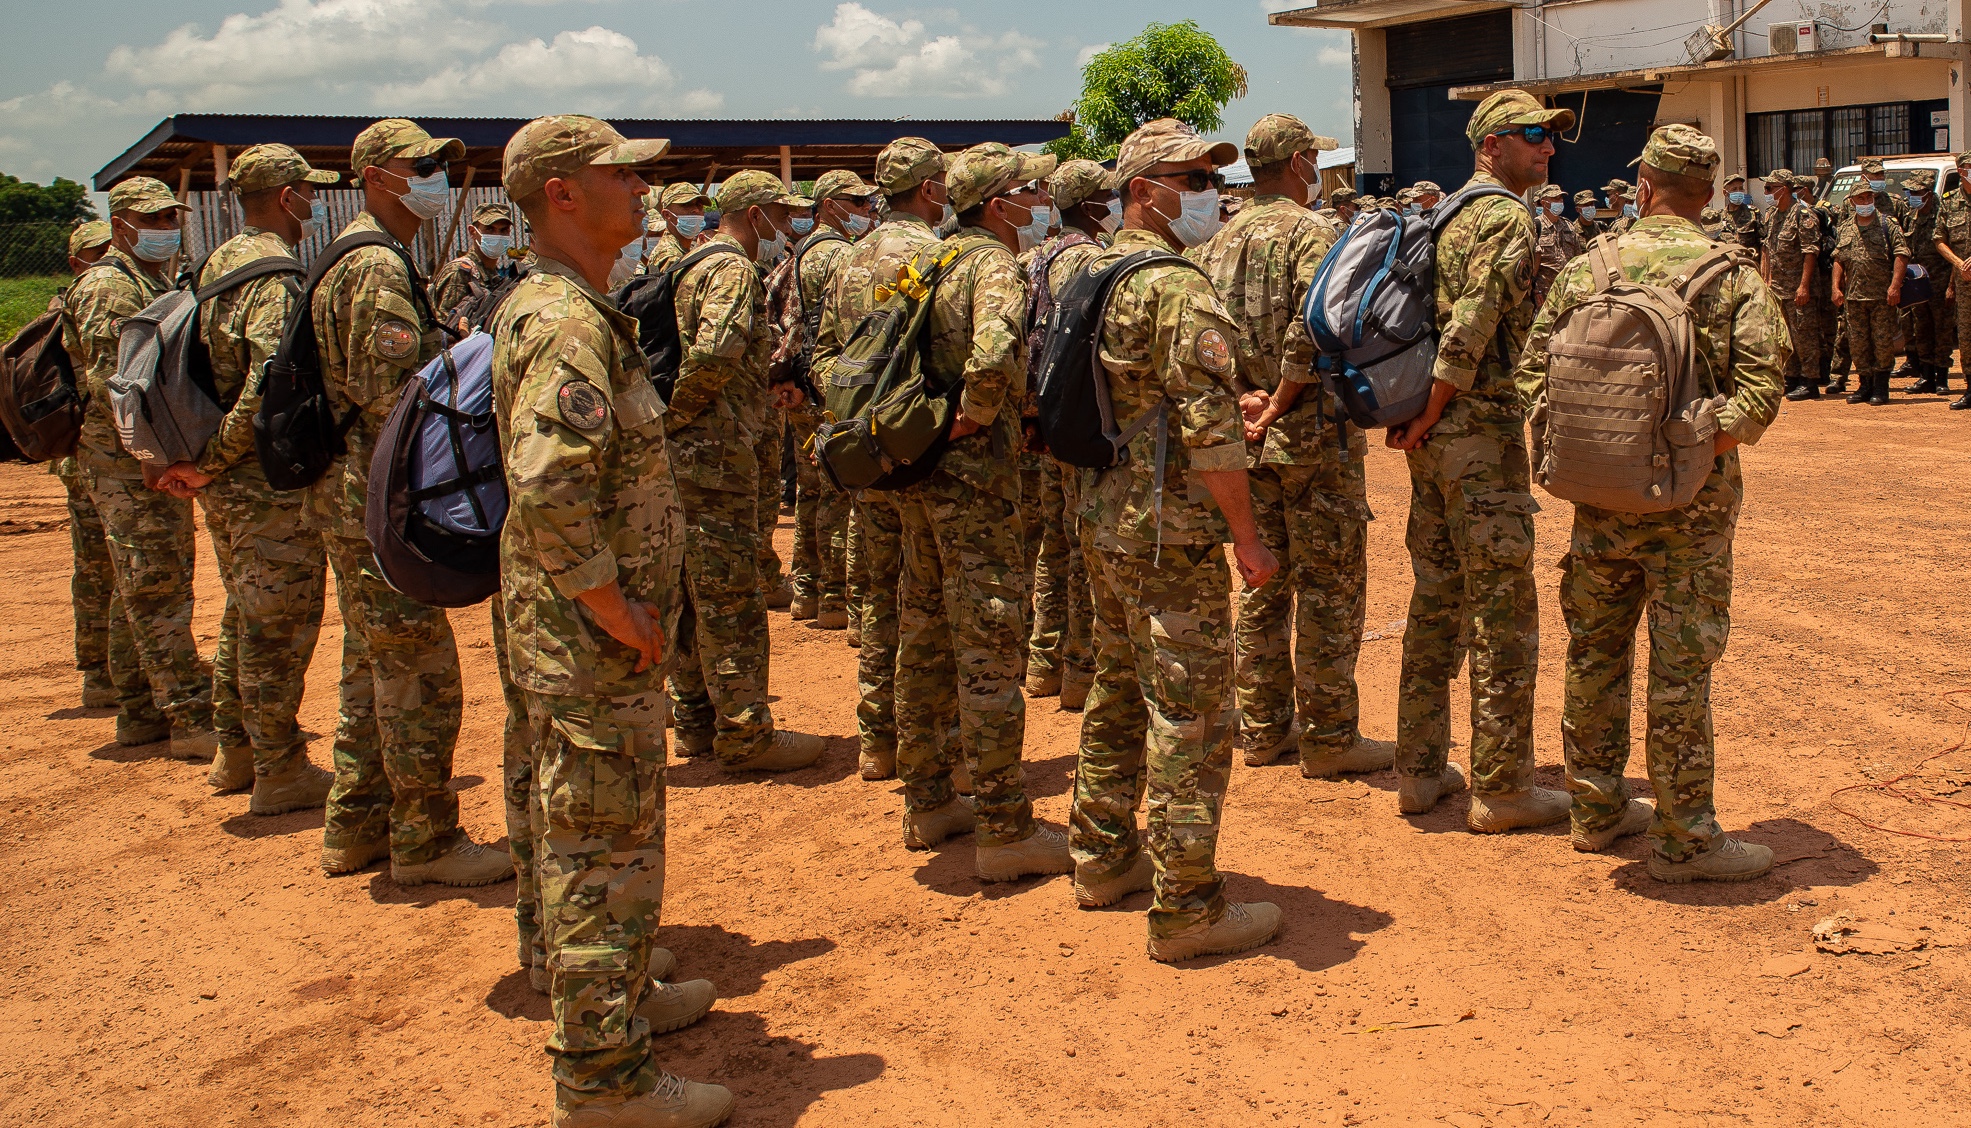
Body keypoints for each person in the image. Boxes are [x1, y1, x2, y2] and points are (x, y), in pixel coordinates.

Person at [490, 114, 728, 1128]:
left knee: (590, 837)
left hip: (580, 635)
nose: (640, 191)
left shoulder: (575, 306)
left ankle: (616, 1000)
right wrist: (616, 608)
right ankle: (604, 1082)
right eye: (617, 176)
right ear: (561, 195)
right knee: (601, 851)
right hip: (588, 639)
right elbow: (549, 488)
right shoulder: (566, 322)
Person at [1516, 123, 1786, 883]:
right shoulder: (1728, 275)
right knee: (1679, 669)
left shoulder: (1586, 267)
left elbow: (1532, 378)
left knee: (1593, 652)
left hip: (1596, 506)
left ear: (1642, 186)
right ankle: (1684, 839)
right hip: (1688, 514)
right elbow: (1759, 398)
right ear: (1708, 195)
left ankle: (1595, 811)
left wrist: (1589, 452)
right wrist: (1683, 450)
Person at [1072, 117, 1282, 961]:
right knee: (1190, 715)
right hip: (1171, 532)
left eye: (1207, 175)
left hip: (1105, 520)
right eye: (1189, 177)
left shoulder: (1084, 269)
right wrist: (1247, 536)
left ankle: (1099, 858)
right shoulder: (1174, 287)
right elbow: (1207, 434)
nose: (1206, 191)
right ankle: (1187, 906)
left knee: (1117, 689)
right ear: (1141, 191)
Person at [312, 119, 511, 884]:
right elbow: (391, 394)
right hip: (382, 495)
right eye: (418, 165)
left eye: (437, 164)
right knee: (418, 671)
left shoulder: (371, 255)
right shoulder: (373, 268)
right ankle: (424, 842)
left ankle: (358, 822)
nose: (432, 175)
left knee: (374, 659)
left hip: (356, 492)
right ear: (373, 175)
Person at [881, 142, 1071, 879]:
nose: (1038, 204)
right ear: (997, 206)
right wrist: (977, 413)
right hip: (972, 476)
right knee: (988, 645)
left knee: (922, 629)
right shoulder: (992, 263)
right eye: (1030, 192)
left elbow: (886, 336)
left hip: (918, 469)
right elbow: (993, 354)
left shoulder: (925, 260)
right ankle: (1001, 826)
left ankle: (929, 802)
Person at [1384, 89, 1573, 831]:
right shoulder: (1502, 215)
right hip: (1473, 429)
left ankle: (1419, 771)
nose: (1546, 147)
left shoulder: (1444, 211)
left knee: (1435, 601)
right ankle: (1501, 787)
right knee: (1501, 611)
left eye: (1549, 136)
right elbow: (1472, 322)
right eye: (1531, 135)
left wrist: (1418, 417)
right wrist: (1434, 408)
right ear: (1489, 145)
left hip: (1430, 435)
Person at [1191, 114, 1383, 778]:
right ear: (1300, 162)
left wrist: (1243, 395)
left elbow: (1201, 338)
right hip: (1311, 436)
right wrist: (1280, 395)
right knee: (1330, 587)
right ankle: (1329, 736)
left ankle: (1264, 727)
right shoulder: (1315, 234)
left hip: (1241, 438)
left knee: (1260, 583)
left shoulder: (1211, 245)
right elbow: (1317, 326)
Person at [151, 144, 338, 813]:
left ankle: (236, 751)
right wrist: (219, 457)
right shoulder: (271, 275)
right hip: (259, 481)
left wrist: (207, 461)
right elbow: (266, 384)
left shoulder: (217, 264)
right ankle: (280, 768)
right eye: (308, 193)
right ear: (287, 197)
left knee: (244, 613)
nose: (313, 203)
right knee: (279, 626)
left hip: (228, 484)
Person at [665, 168, 826, 774]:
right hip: (715, 458)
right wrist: (674, 418)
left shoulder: (691, 262)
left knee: (689, 590)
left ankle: (696, 721)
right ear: (754, 214)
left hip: (690, 459)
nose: (788, 228)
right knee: (730, 596)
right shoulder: (732, 268)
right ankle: (744, 731)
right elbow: (713, 354)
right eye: (781, 217)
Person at [810, 137, 948, 782]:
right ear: (929, 190)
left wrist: (852, 419)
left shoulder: (845, 259)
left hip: (861, 448)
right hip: (922, 449)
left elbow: (825, 354)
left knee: (874, 589)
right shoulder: (938, 254)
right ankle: (931, 743)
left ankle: (878, 740)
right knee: (925, 595)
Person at [63, 176, 213, 757]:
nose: (163, 230)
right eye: (150, 222)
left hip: (141, 457)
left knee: (144, 581)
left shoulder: (145, 279)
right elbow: (114, 387)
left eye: (168, 219)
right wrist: (156, 458)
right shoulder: (108, 286)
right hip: (128, 461)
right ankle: (187, 719)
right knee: (156, 586)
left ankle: (139, 709)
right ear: (119, 225)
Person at [1022, 158, 1114, 712]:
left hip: (1038, 422)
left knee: (1052, 546)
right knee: (1084, 549)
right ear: (1093, 203)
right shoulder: (1092, 261)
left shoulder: (1032, 258)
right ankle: (1081, 670)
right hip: (1079, 423)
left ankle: (1042, 660)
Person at [778, 169, 876, 631]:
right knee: (842, 497)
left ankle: (809, 590)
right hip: (828, 386)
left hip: (804, 383)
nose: (865, 211)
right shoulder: (838, 252)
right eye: (855, 203)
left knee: (811, 494)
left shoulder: (805, 250)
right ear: (831, 205)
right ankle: (840, 599)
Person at [52, 220, 116, 711]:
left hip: (94, 452)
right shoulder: (85, 300)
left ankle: (114, 668)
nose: (109, 257)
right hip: (92, 453)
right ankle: (99, 672)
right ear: (77, 262)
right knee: (97, 566)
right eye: (100, 252)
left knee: (113, 566)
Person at [1830, 181, 1909, 407]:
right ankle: (1864, 384)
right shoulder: (1846, 227)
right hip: (1854, 297)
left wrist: (1895, 286)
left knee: (1882, 343)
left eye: (1869, 198)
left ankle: (1881, 387)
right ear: (1852, 201)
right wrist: (1836, 287)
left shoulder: (1887, 223)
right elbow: (1839, 259)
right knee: (1858, 344)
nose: (1866, 202)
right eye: (1861, 199)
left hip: (1881, 297)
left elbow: (1902, 254)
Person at [1764, 172, 1826, 402]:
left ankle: (1810, 381)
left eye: (1771, 188)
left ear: (1785, 188)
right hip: (1778, 287)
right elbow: (1767, 249)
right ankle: (1792, 377)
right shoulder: (1772, 215)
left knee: (1804, 335)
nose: (1767, 193)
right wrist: (1766, 278)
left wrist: (1804, 286)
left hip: (1798, 288)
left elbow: (1810, 252)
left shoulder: (1802, 214)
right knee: (1784, 336)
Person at [1900, 170, 1954, 394]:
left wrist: (1951, 286)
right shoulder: (1910, 216)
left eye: (1917, 192)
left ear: (1929, 194)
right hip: (1917, 285)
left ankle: (1941, 377)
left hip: (1940, 283)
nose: (1912, 195)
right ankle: (1925, 376)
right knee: (1920, 329)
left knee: (1942, 331)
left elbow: (1953, 252)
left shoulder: (1943, 215)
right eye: (1910, 191)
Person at [429, 202, 517, 325]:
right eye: (489, 229)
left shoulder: (491, 273)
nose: (497, 235)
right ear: (472, 231)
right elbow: (446, 325)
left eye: (503, 230)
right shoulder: (460, 271)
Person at [1932, 150, 1971, 410]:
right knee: (1967, 337)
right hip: (1965, 282)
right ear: (1961, 171)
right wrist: (1958, 263)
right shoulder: (1948, 203)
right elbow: (1939, 239)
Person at [1533, 182, 1585, 310]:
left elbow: (1578, 257)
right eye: (1555, 199)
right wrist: (1533, 289)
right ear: (1545, 203)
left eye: (1561, 198)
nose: (1560, 201)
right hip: (1544, 291)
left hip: (1567, 289)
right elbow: (1531, 261)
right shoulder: (1535, 226)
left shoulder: (1568, 226)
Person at [642, 182, 710, 275]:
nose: (696, 210)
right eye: (686, 205)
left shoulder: (684, 248)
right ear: (667, 215)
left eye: (699, 205)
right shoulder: (669, 255)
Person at [1719, 173, 1763, 253]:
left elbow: (1763, 242)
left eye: (1741, 188)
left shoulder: (1753, 213)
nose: (1738, 192)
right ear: (1725, 193)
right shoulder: (1719, 217)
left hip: (1749, 262)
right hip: (1730, 263)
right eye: (1734, 189)